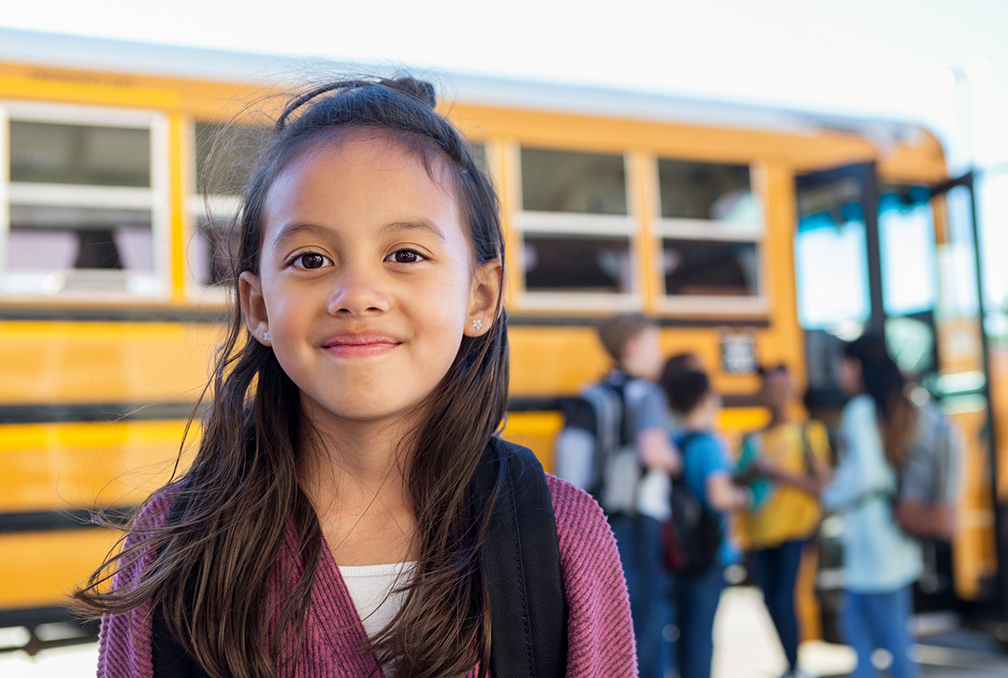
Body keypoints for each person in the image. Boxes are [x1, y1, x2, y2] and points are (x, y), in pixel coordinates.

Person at [74, 77, 635, 678]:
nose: (358, 295)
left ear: (481, 293)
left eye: (406, 255)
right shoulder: (173, 545)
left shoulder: (557, 539)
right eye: (311, 260)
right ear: (258, 306)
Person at [562, 313, 679, 678]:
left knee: (605, 619)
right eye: (654, 344)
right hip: (637, 518)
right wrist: (677, 461)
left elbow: (570, 466)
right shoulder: (649, 394)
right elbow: (653, 451)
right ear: (633, 348)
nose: (659, 353)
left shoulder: (590, 395)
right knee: (644, 619)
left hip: (595, 521)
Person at [822, 334, 922, 678]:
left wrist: (829, 496)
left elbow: (864, 477)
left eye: (841, 364)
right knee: (886, 634)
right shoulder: (895, 405)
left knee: (874, 636)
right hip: (890, 534)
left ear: (855, 366)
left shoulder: (860, 410)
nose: (837, 373)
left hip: (872, 541)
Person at [738, 365, 832, 678]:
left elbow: (821, 483)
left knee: (783, 598)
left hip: (796, 528)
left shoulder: (808, 432)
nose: (777, 396)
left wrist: (777, 474)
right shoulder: (751, 438)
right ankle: (790, 663)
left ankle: (794, 665)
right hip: (760, 531)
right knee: (769, 599)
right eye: (770, 388)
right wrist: (749, 474)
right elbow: (737, 481)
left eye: (782, 388)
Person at [664, 369, 747, 678]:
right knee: (701, 635)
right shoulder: (710, 444)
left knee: (683, 633)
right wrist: (745, 497)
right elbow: (718, 496)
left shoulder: (674, 441)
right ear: (706, 399)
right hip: (709, 551)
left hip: (679, 549)